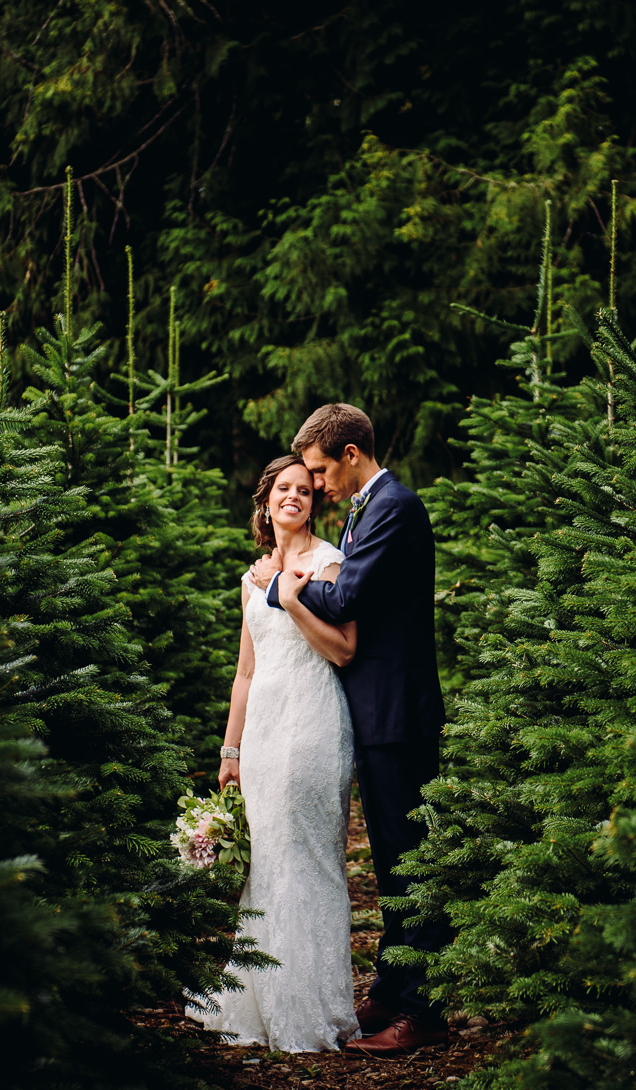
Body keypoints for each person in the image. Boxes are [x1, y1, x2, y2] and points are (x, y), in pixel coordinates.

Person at [248, 403, 450, 1058]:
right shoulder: (368, 508)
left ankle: (424, 1012)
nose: (317, 485)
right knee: (393, 860)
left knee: (408, 861)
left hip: (398, 713)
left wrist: (284, 584)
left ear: (350, 456)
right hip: (375, 712)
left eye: (318, 471)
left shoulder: (395, 507)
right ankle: (394, 988)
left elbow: (345, 598)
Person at [187, 454, 360, 1052]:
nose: (295, 497)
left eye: (306, 491)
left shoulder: (331, 563)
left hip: (312, 722)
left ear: (316, 503)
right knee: (267, 859)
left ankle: (312, 1005)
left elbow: (342, 650)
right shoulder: (250, 577)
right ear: (266, 503)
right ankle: (257, 995)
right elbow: (244, 672)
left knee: (307, 855)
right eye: (283, 489)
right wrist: (230, 749)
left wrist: (289, 597)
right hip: (261, 728)